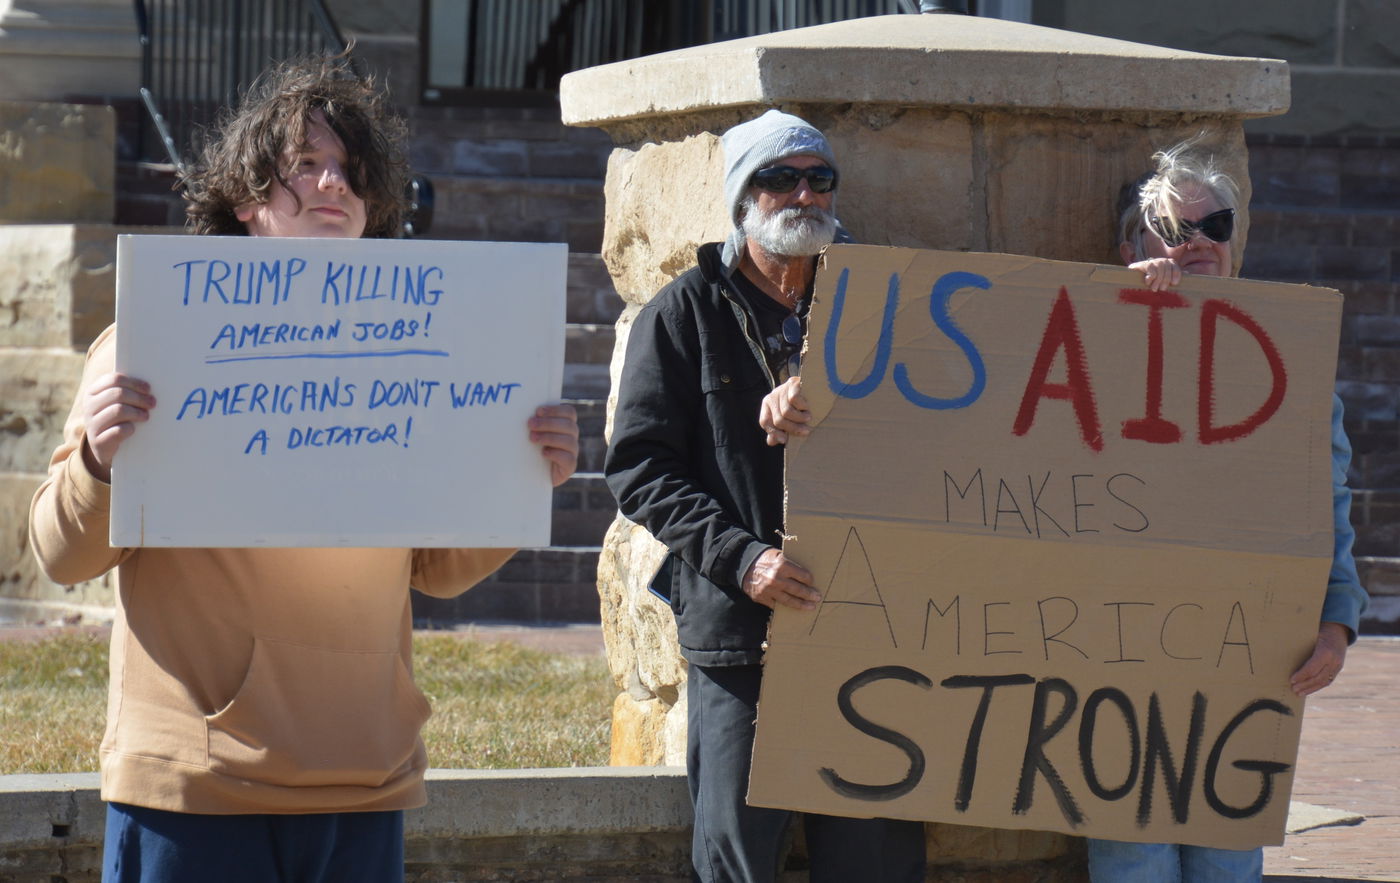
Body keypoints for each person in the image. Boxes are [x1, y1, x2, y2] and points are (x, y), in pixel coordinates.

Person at [28, 54, 579, 883]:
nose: (333, 184)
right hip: (195, 790)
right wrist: (99, 466)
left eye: (351, 172)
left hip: (366, 782)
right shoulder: (151, 340)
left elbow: (435, 569)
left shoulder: (417, 355)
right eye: (306, 166)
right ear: (248, 198)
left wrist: (521, 478)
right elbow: (60, 554)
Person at [605, 109, 927, 883]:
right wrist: (743, 559)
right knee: (738, 856)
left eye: (820, 179)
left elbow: (945, 427)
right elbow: (639, 468)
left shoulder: (883, 301)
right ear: (742, 200)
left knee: (874, 858)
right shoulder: (681, 316)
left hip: (869, 630)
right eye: (780, 179)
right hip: (742, 634)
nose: (804, 195)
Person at [1078, 141, 1370, 881]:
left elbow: (1325, 501)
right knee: (1131, 854)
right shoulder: (1083, 340)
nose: (1198, 242)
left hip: (1241, 658)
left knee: (1225, 859)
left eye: (1215, 223)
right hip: (1116, 655)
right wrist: (1121, 320)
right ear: (1130, 247)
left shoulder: (1287, 359)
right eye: (1173, 231)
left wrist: (1337, 619)